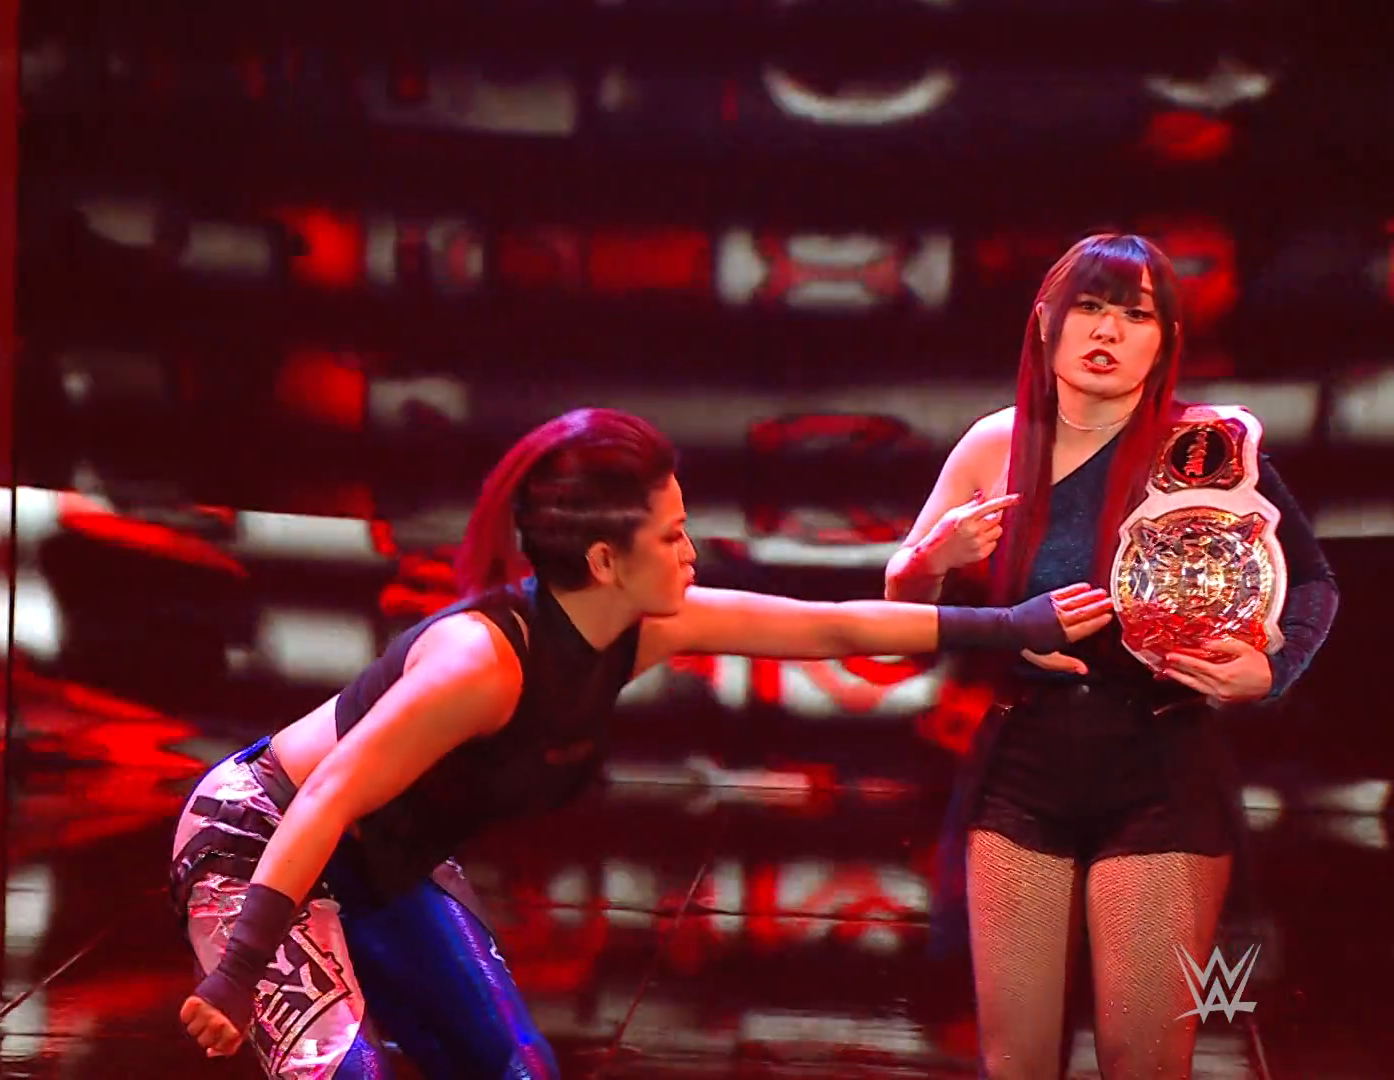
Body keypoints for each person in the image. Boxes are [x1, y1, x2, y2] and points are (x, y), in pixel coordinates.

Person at [171, 406, 1117, 1079]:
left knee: (516, 1068)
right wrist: (239, 969)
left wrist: (1011, 624)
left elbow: (831, 626)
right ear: (604, 561)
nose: (691, 552)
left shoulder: (645, 623)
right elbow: (326, 797)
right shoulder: (478, 665)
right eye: (673, 536)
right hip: (263, 840)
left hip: (384, 860)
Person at [886, 233, 1340, 1078]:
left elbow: (1314, 583)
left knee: (1145, 1061)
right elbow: (903, 607)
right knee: (1016, 1063)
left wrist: (1273, 670)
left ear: (1166, 339)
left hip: (1161, 769)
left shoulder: (1206, 450)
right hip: (1022, 768)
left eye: (1136, 315)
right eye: (1089, 308)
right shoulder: (994, 445)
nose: (1107, 331)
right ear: (1045, 324)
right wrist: (931, 564)